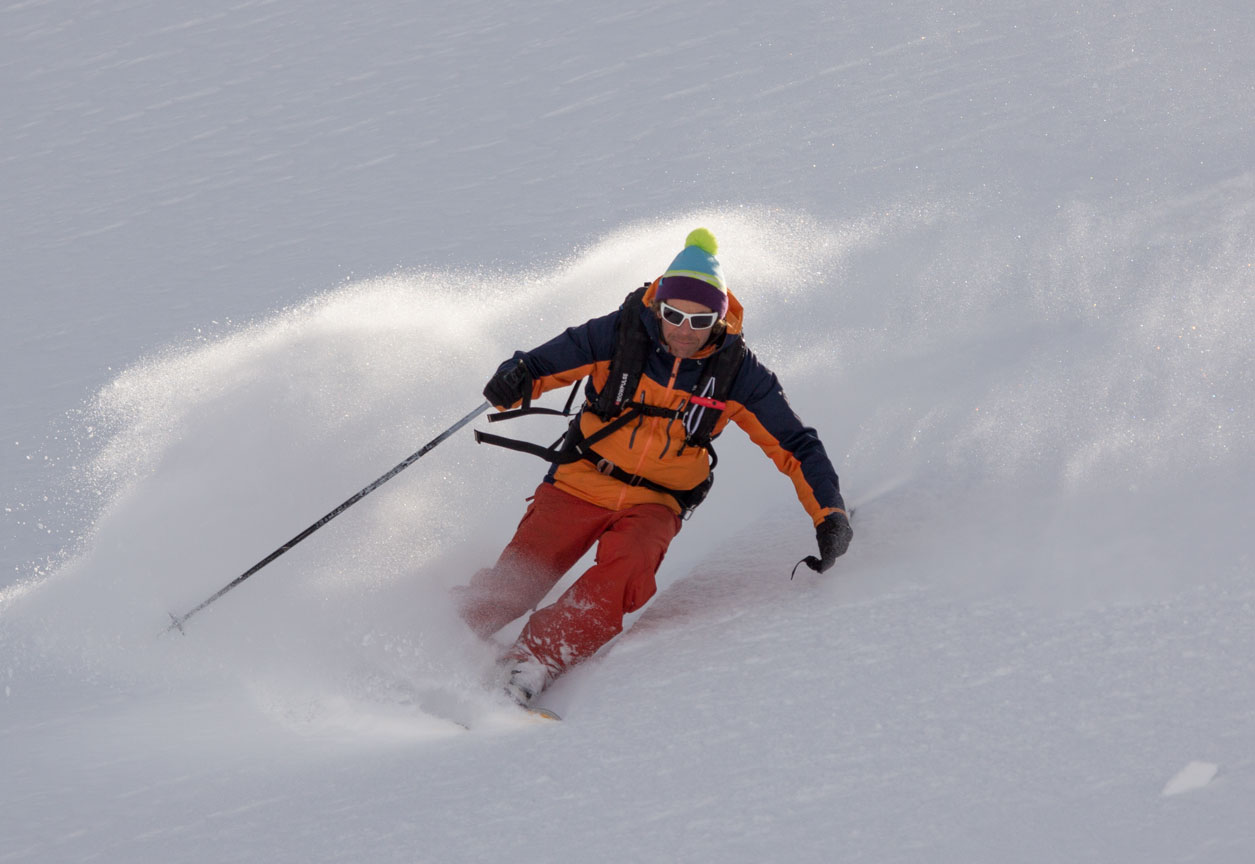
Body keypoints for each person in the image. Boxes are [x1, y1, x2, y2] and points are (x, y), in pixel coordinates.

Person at [455, 228, 852, 706]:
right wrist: (514, 376)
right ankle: (447, 634)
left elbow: (796, 445)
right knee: (520, 578)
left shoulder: (740, 375)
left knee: (629, 566)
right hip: (582, 478)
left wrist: (829, 513)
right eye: (674, 315)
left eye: (700, 320)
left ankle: (535, 660)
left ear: (719, 321)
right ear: (658, 307)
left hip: (656, 501)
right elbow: (542, 365)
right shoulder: (618, 334)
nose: (684, 330)